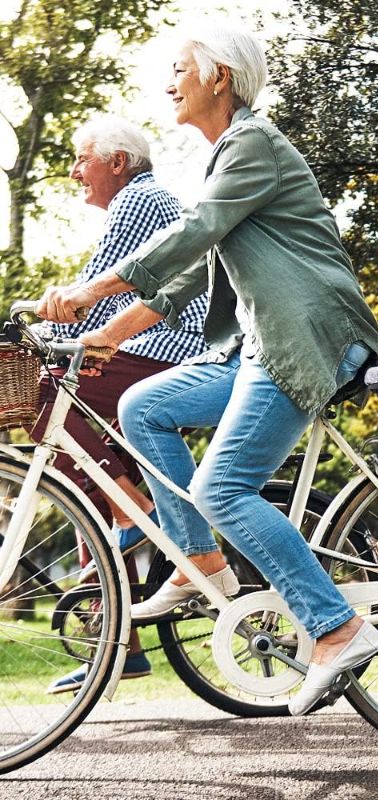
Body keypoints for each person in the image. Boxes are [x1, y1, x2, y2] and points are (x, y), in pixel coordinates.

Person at [36, 22, 378, 716]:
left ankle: (337, 629)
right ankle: (201, 563)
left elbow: (192, 235)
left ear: (219, 77)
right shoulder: (228, 155)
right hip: (260, 347)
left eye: (179, 70)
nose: (168, 83)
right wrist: (104, 334)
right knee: (143, 406)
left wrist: (87, 292)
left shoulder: (252, 143)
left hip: (305, 340)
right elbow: (189, 278)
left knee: (224, 489)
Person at [35, 116, 208, 693]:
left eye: (81, 158)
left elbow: (87, 291)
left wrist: (30, 309)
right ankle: (118, 642)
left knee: (45, 401)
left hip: (160, 347)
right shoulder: (141, 199)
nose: (74, 171)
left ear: (117, 162)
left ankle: (141, 513)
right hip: (145, 346)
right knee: (89, 480)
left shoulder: (139, 197)